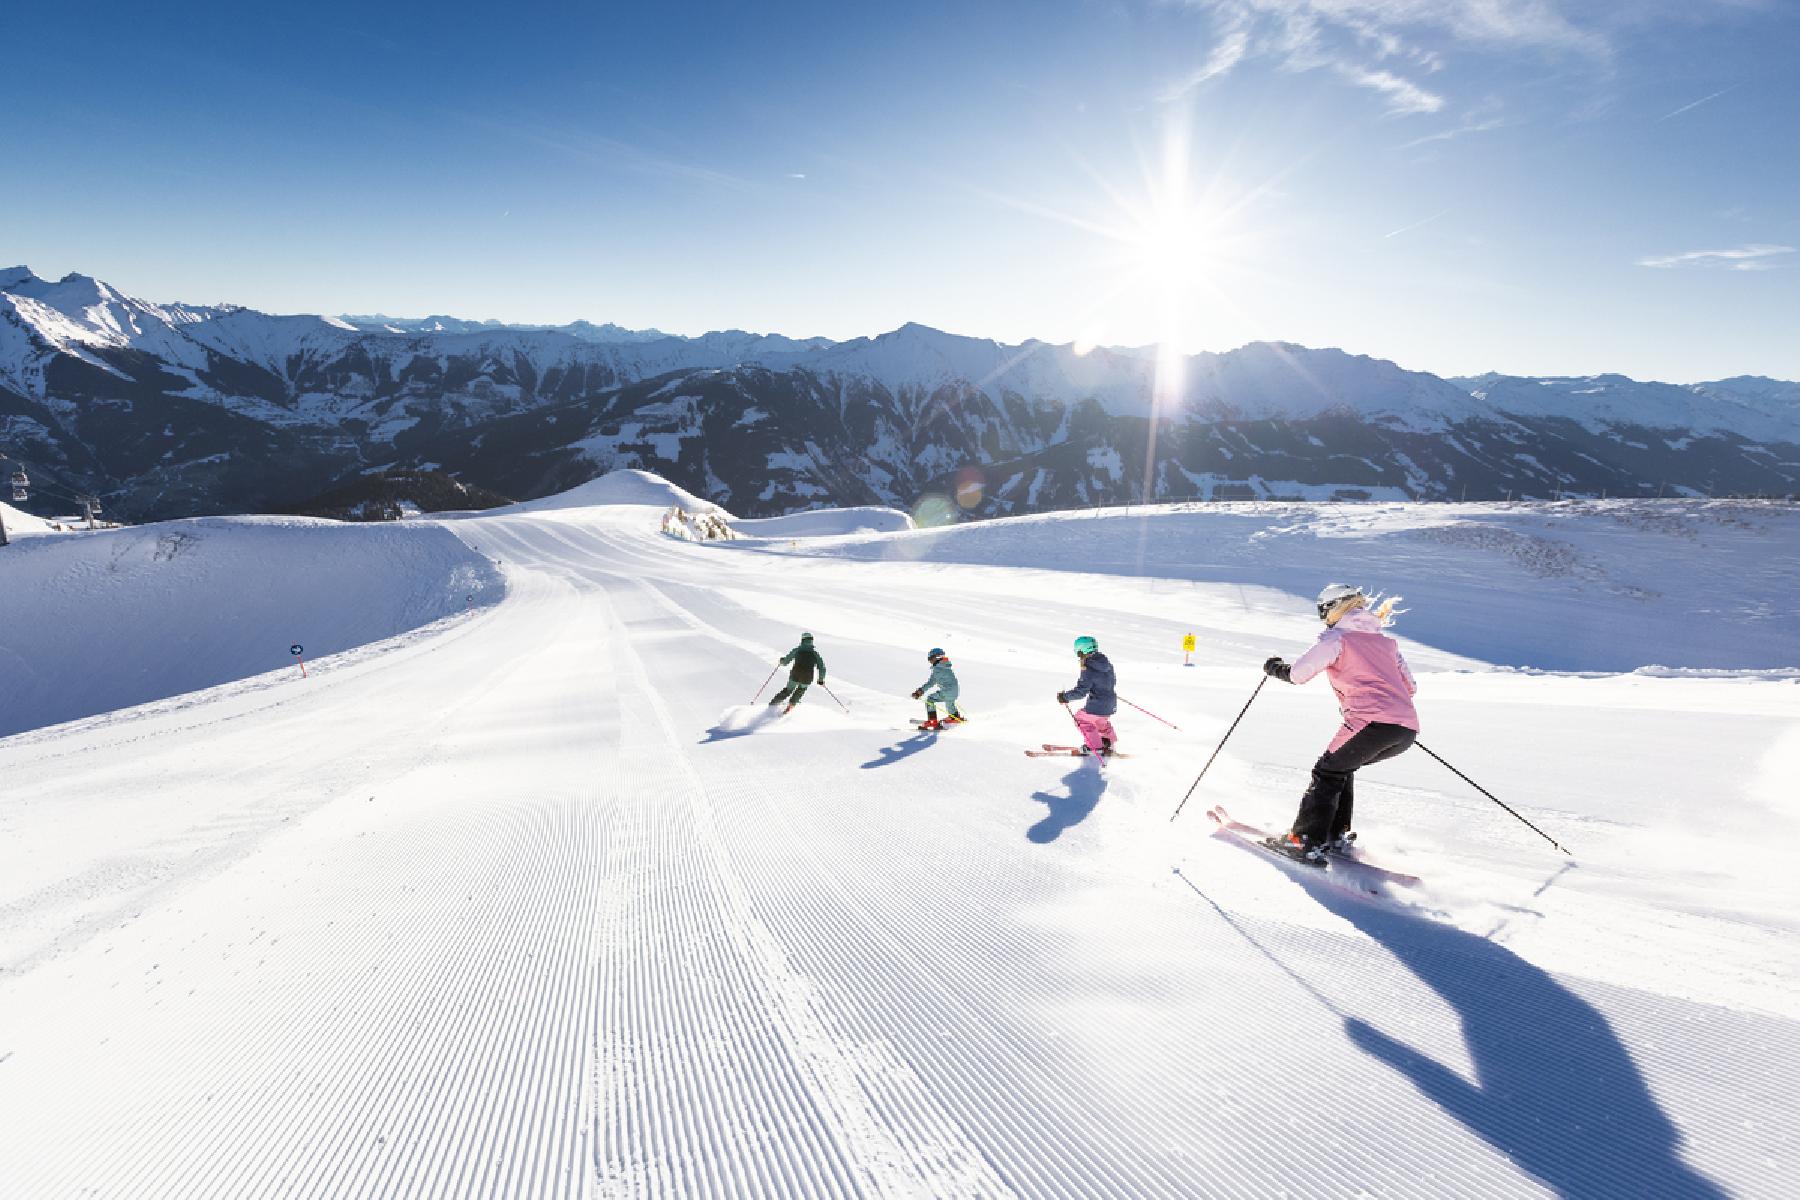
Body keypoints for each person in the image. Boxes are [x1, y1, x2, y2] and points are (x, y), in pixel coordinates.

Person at [1262, 584, 1418, 864]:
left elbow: (1298, 674)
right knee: (1340, 769)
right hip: (1405, 729)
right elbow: (1410, 687)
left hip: (1370, 722)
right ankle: (1334, 834)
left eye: (1322, 612)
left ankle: (1304, 841)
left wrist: (1275, 667)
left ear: (1331, 609)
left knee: (1327, 772)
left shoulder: (1337, 639)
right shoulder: (1386, 643)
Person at [1056, 635, 1117, 757]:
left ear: (1081, 650)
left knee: (1081, 719)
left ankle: (1094, 747)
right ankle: (1107, 742)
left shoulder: (1088, 668)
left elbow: (1081, 692)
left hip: (1097, 704)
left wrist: (1065, 697)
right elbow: (1112, 681)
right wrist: (1103, 689)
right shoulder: (1106, 663)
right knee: (1100, 722)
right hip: (1110, 702)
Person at [911, 647, 964, 731]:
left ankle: (932, 721)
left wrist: (920, 692)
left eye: (930, 659)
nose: (930, 661)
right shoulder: (945, 666)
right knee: (949, 702)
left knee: (930, 699)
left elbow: (931, 683)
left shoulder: (938, 669)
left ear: (937, 657)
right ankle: (954, 717)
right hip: (955, 691)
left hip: (947, 691)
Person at [770, 633, 826, 712]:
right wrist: (820, 680)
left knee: (788, 690)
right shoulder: (815, 654)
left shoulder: (797, 650)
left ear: (802, 640)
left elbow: (785, 662)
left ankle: (773, 704)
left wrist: (782, 661)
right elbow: (822, 668)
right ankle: (791, 705)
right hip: (807, 677)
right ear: (811, 641)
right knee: (801, 690)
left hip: (795, 675)